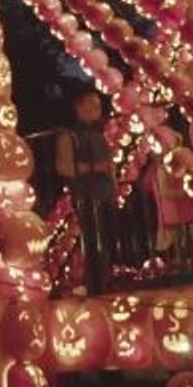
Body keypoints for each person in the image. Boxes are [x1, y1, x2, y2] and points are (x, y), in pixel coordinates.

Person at [55, 87, 117, 295]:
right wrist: (95, 167)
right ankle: (95, 283)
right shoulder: (70, 136)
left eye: (98, 105)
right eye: (91, 105)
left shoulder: (100, 134)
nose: (96, 109)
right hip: (86, 194)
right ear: (79, 108)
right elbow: (65, 166)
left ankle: (107, 279)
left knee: (107, 238)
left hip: (105, 193)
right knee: (90, 240)